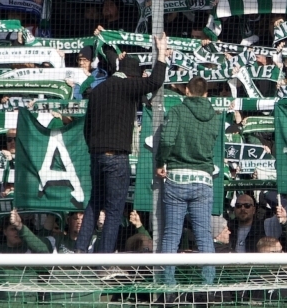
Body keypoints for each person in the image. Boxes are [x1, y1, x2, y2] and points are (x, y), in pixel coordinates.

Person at [77, 31, 170, 254]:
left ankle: (79, 251)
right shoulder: (127, 85)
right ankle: (103, 260)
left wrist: (95, 149)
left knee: (94, 204)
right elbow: (155, 81)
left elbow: (86, 128)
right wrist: (162, 55)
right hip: (116, 157)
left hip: (96, 156)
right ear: (132, 76)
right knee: (114, 210)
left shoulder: (97, 90)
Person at [155, 76, 222, 282]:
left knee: (171, 234)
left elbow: (167, 140)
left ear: (186, 91)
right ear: (206, 94)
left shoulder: (177, 111)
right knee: (204, 235)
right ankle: (208, 284)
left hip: (176, 178)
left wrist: (160, 162)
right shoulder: (215, 117)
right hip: (203, 180)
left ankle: (168, 285)